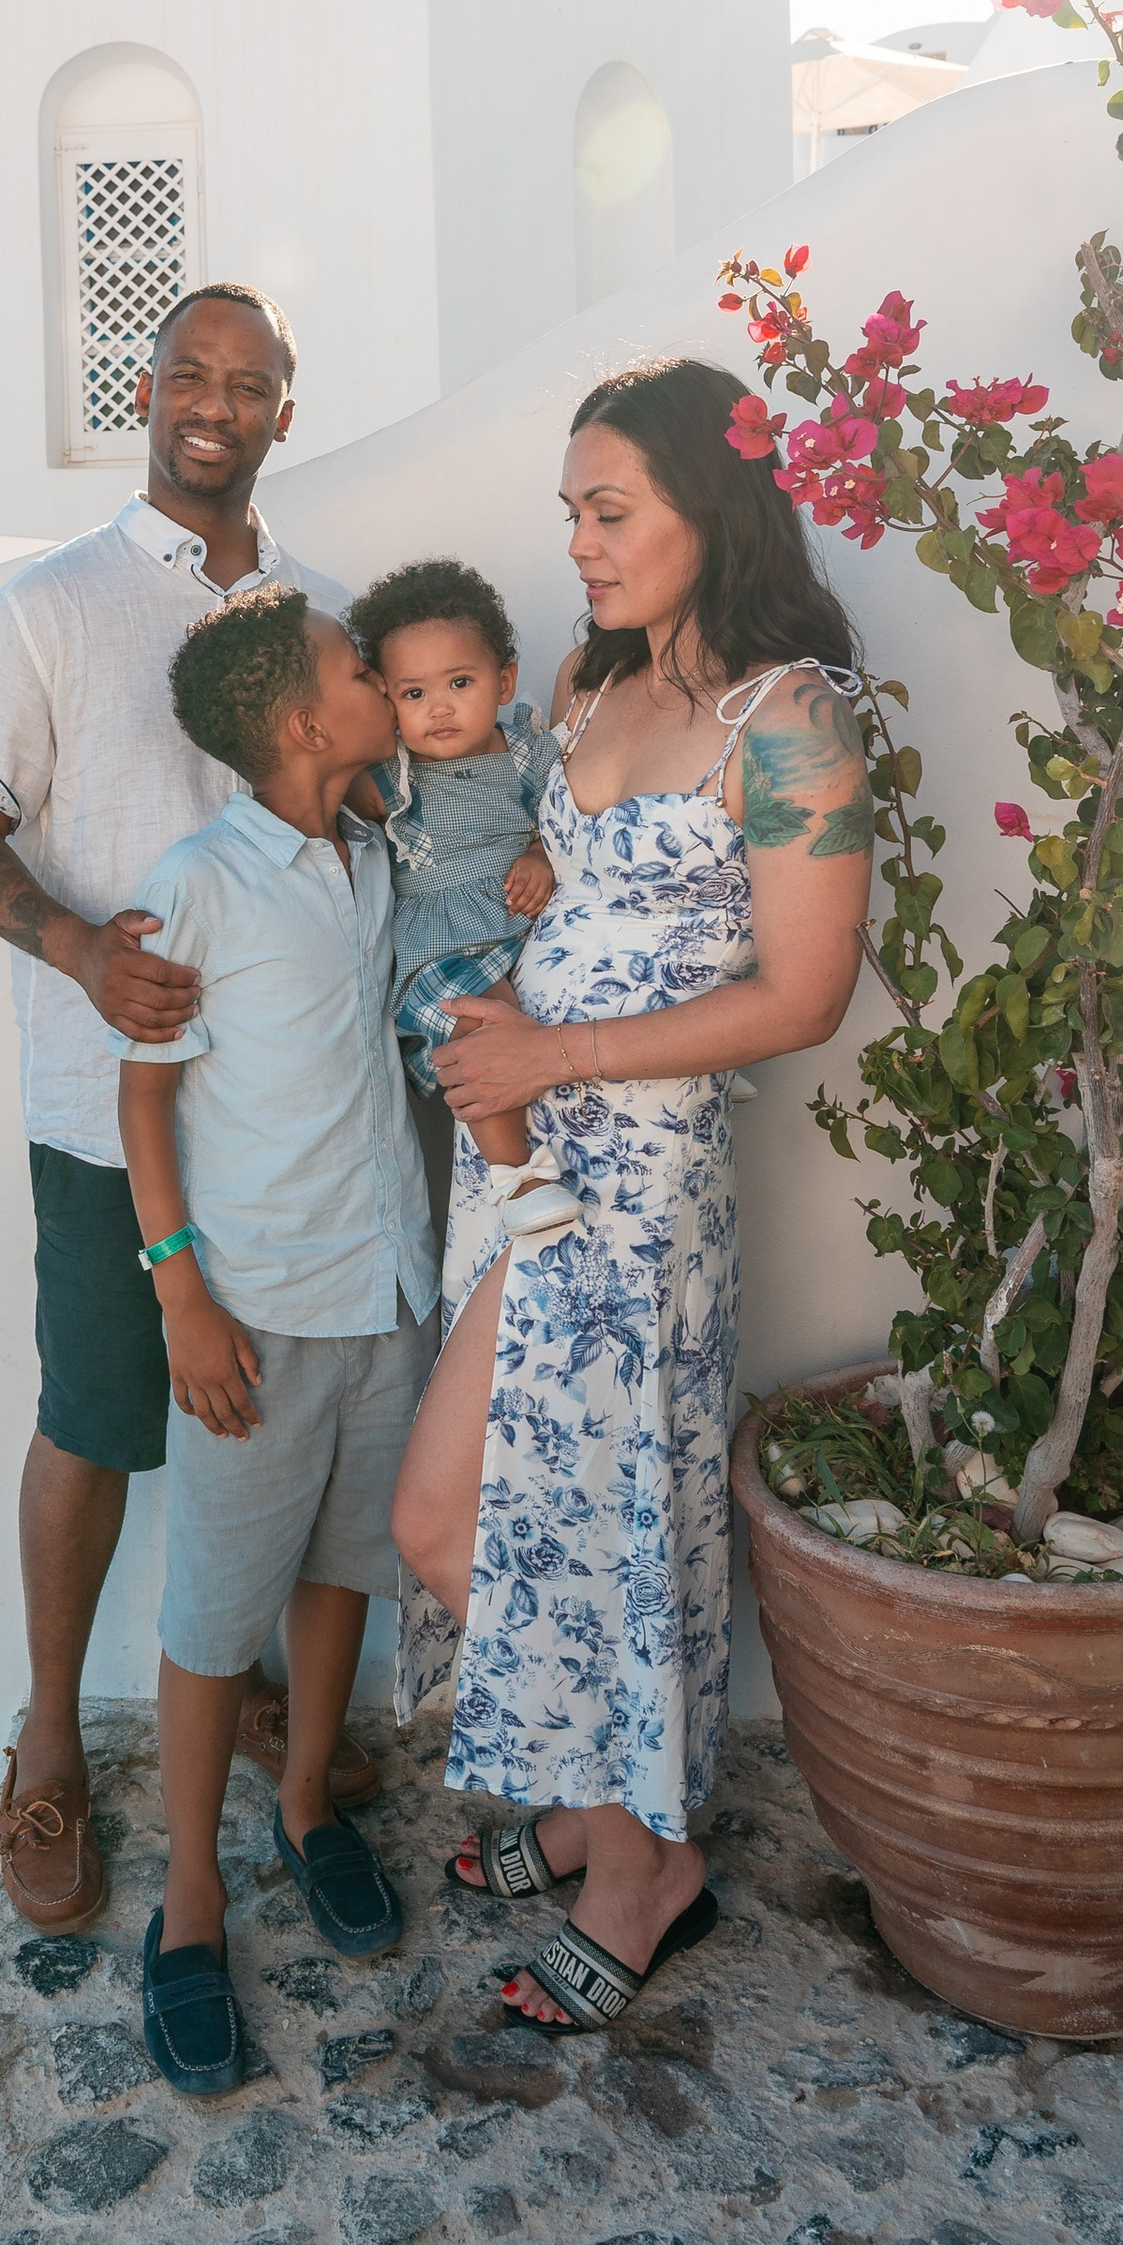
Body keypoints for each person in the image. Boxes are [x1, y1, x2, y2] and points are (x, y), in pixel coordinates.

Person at [389, 356, 872, 2036]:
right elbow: (552, 865)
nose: (582, 544)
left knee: (567, 1523)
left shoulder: (792, 715)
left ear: (707, 506)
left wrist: (552, 1050)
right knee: (498, 1520)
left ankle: (642, 1860)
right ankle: (604, 1817)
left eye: (613, 509)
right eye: (572, 513)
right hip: (526, 1167)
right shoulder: (592, 681)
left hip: (637, 1186)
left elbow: (802, 994)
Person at [0, 284, 371, 1934]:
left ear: (281, 413)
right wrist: (72, 949)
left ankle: (245, 1685)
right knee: (100, 1420)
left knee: (268, 1421)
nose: (215, 401)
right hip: (104, 1116)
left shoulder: (322, 617)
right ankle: (48, 1734)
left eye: (248, 382)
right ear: (147, 388)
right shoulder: (48, 607)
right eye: (190, 371)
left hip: (296, 1125)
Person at [112, 588, 437, 2091]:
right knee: (213, 1611)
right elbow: (145, 1092)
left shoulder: (377, 849)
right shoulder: (198, 884)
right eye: (357, 670)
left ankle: (307, 1799)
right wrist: (180, 1289)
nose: (382, 681)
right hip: (251, 1312)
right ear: (307, 720)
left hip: (386, 1290)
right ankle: (191, 1894)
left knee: (341, 1563)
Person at [346, 556, 576, 1246]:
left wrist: (539, 852)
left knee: (602, 957)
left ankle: (687, 1064)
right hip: (441, 943)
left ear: (503, 680)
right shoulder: (391, 774)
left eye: (460, 682)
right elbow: (315, 791)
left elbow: (570, 817)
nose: (439, 706)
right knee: (479, 1026)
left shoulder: (529, 754)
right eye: (413, 694)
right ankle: (517, 1177)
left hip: (522, 918)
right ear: (386, 698)